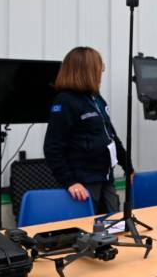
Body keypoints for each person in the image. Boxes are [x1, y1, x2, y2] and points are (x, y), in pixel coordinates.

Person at [44, 46, 133, 214]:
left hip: (106, 178)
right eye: (99, 67)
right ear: (87, 71)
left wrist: (128, 166)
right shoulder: (65, 101)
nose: (102, 71)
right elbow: (52, 147)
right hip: (84, 183)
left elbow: (111, 136)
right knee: (90, 231)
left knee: (114, 222)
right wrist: (70, 182)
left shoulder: (97, 99)